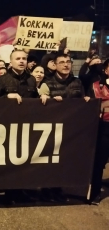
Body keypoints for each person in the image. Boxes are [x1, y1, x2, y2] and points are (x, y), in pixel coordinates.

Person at [39, 53, 89, 203]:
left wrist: (86, 100)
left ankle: (58, 188)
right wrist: (48, 100)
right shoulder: (46, 84)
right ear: (55, 65)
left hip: (70, 129)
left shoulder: (77, 83)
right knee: (50, 160)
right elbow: (39, 107)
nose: (66, 65)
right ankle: (46, 189)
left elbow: (82, 99)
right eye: (62, 62)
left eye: (68, 62)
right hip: (52, 128)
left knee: (63, 159)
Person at [89, 59, 109, 205]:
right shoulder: (96, 86)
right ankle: (94, 193)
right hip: (104, 128)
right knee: (99, 162)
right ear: (106, 70)